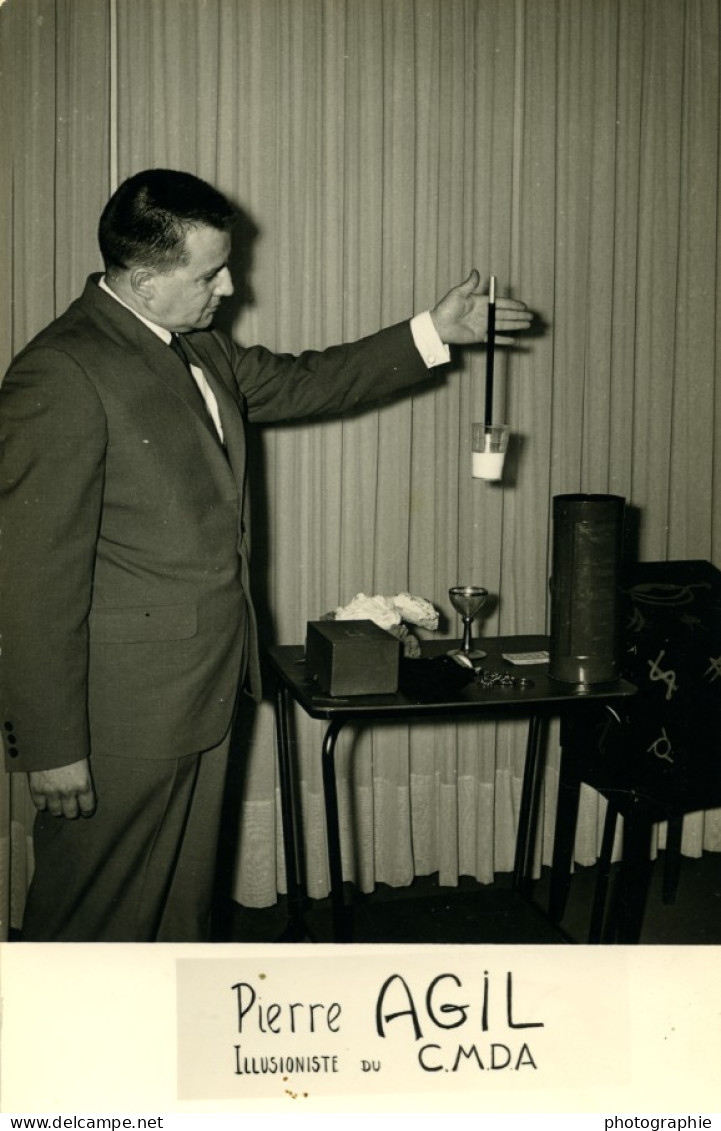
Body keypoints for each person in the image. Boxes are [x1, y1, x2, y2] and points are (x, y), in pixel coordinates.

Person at [0, 169, 532, 942]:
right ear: (143, 280)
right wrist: (50, 746)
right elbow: (27, 578)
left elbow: (309, 380)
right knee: (89, 925)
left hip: (201, 691)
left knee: (177, 914)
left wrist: (432, 331)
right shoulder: (63, 370)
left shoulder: (196, 347)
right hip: (118, 718)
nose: (230, 286)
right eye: (209, 272)